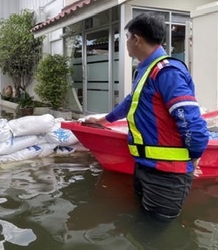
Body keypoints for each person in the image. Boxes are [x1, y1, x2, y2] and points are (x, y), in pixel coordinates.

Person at [85, 13, 209, 221]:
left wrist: (194, 157)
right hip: (146, 166)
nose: (125, 42)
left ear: (137, 39)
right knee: (144, 224)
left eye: (126, 37)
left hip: (167, 174)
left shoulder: (167, 72)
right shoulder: (146, 70)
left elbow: (191, 122)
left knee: (156, 230)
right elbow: (130, 102)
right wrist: (104, 120)